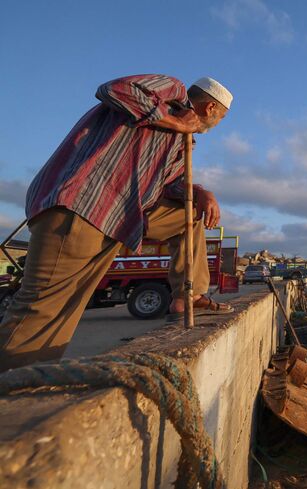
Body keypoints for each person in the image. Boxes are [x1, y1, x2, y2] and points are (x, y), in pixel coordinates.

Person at [0, 75, 233, 372]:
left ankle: (188, 296)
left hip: (117, 217)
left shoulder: (183, 143)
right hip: (82, 205)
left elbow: (167, 186)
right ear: (211, 107)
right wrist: (175, 122)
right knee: (41, 311)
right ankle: (13, 396)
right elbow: (114, 89)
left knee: (187, 218)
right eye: (221, 117)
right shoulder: (172, 94)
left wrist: (200, 192)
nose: (217, 124)